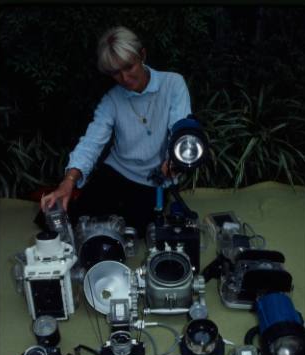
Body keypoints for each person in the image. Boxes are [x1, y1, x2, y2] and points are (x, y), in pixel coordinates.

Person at [39, 25, 192, 237]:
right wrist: (69, 181)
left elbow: (180, 129)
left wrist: (173, 161)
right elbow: (92, 141)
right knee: (70, 222)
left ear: (142, 55)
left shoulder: (173, 84)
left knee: (134, 232)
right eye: (115, 73)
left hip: (155, 179)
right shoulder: (112, 99)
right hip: (117, 171)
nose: (125, 79)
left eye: (129, 67)